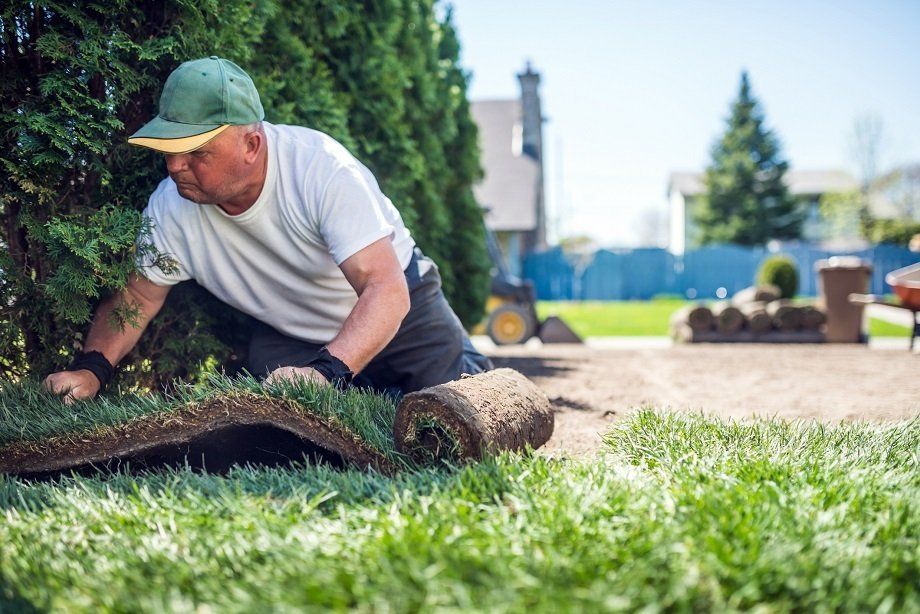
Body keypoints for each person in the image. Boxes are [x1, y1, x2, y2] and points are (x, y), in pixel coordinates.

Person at [43, 56, 492, 404]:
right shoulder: (170, 206)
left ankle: (461, 360)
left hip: (399, 310)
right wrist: (91, 369)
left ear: (252, 145)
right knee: (274, 427)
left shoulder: (323, 170)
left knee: (457, 407)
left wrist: (329, 372)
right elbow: (137, 297)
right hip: (295, 333)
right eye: (169, 148)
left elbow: (385, 288)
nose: (175, 165)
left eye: (195, 151)